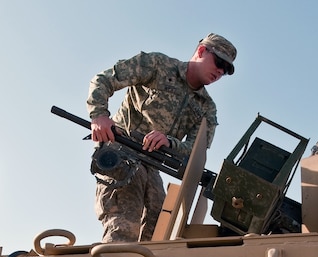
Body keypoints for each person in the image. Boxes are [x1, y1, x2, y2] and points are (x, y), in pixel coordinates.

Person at [86, 33, 237, 243]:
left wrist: (169, 142)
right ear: (201, 51)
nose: (220, 72)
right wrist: (99, 115)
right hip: (123, 151)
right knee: (124, 228)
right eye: (218, 63)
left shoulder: (206, 108)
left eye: (226, 71)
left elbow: (196, 151)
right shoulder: (158, 65)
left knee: (158, 234)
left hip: (153, 165)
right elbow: (104, 79)